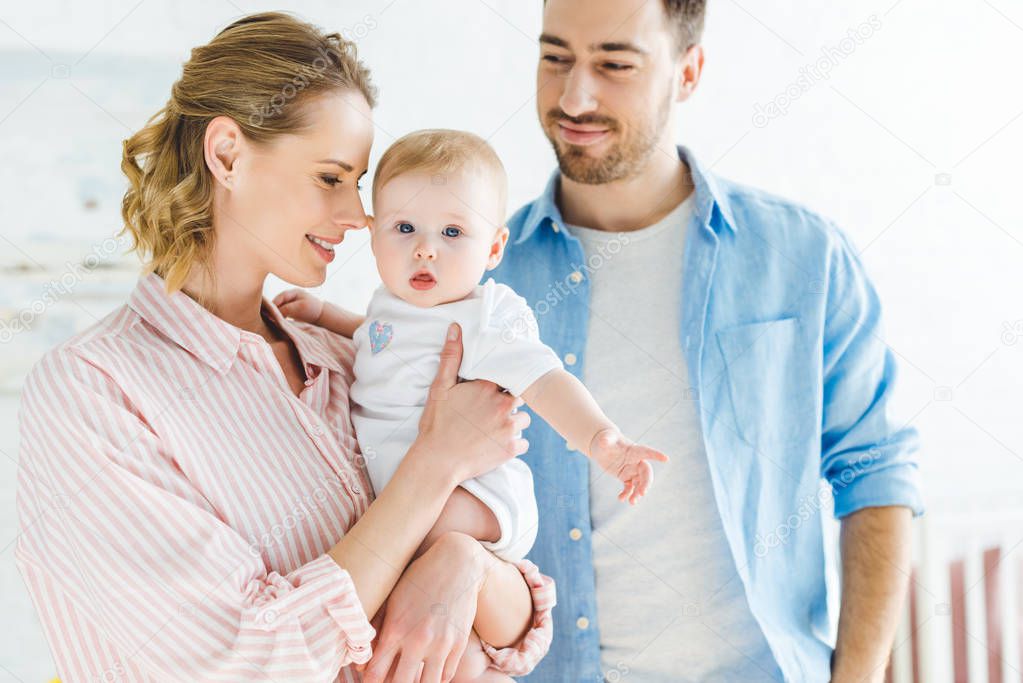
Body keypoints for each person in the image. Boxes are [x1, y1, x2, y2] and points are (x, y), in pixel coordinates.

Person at [15, 13, 554, 683]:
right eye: (331, 177)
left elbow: (520, 624)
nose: (359, 215)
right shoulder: (92, 392)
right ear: (228, 155)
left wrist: (463, 562)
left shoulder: (349, 353)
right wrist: (433, 464)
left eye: (358, 183)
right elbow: (246, 659)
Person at [489, 1, 924, 681]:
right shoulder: (486, 278)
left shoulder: (803, 257)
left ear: (687, 71)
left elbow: (875, 474)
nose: (575, 95)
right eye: (554, 58)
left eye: (614, 63)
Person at [275, 129, 669, 676]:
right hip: (421, 491)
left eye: (453, 232)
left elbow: (545, 379)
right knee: (435, 631)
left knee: (401, 552)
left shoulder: (485, 319)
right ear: (373, 233)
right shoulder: (394, 305)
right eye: (404, 227)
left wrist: (602, 440)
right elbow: (378, 340)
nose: (425, 247)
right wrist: (324, 315)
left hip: (473, 498)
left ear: (493, 248)